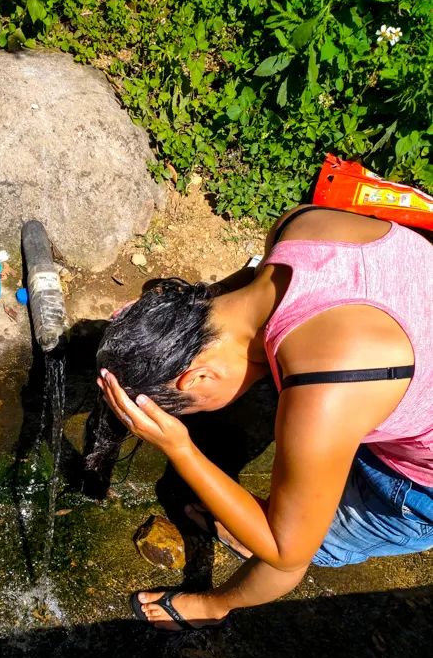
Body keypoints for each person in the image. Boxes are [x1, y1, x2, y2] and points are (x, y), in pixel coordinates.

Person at [87, 205, 433, 630]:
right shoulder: (300, 225)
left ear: (197, 378)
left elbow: (286, 552)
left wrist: (180, 447)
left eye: (190, 409)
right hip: (396, 378)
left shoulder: (326, 388)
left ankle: (213, 608)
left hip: (416, 484)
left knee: (297, 545)